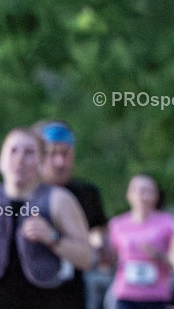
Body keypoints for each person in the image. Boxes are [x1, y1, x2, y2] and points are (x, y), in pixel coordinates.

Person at [0, 127, 94, 308]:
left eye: (29, 153)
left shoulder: (59, 201)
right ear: (0, 160)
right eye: (13, 151)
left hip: (46, 301)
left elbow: (88, 258)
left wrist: (53, 238)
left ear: (42, 162)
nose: (20, 160)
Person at [32, 120, 110, 309]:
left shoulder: (86, 193)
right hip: (25, 292)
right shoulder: (18, 194)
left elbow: (99, 232)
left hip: (69, 294)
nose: (60, 162)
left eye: (66, 154)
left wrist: (99, 242)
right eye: (52, 154)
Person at [105, 174, 174, 309]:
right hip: (126, 295)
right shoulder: (117, 224)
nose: (142, 195)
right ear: (129, 194)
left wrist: (159, 256)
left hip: (157, 296)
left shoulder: (168, 223)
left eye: (148, 191)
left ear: (156, 195)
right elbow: (107, 263)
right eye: (138, 190)